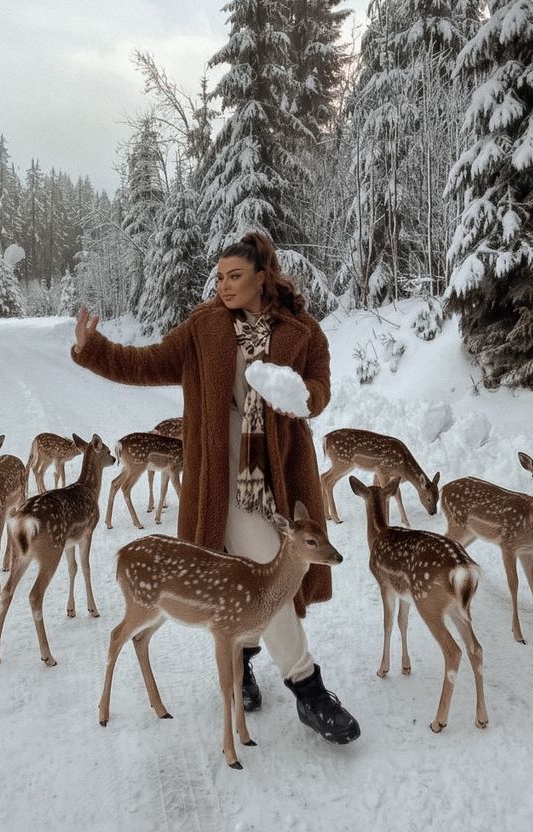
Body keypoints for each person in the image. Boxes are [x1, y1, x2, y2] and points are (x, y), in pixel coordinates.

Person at [71, 231, 360, 745]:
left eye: (235, 276)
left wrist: (296, 394)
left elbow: (319, 394)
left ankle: (243, 659)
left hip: (279, 475)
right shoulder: (205, 327)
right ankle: (309, 689)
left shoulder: (304, 333)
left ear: (262, 278)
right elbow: (149, 364)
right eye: (220, 276)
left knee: (250, 575)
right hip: (218, 483)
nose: (223, 286)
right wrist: (93, 350)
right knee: (270, 576)